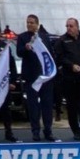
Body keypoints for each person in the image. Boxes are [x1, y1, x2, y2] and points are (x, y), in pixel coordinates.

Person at [16, 14, 57, 142]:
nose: (29, 24)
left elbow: (50, 54)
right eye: (27, 22)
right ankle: (35, 131)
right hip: (31, 77)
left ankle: (48, 130)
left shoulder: (44, 37)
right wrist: (26, 48)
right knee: (33, 105)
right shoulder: (22, 37)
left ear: (37, 24)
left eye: (32, 22)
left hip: (45, 76)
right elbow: (19, 52)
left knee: (47, 104)